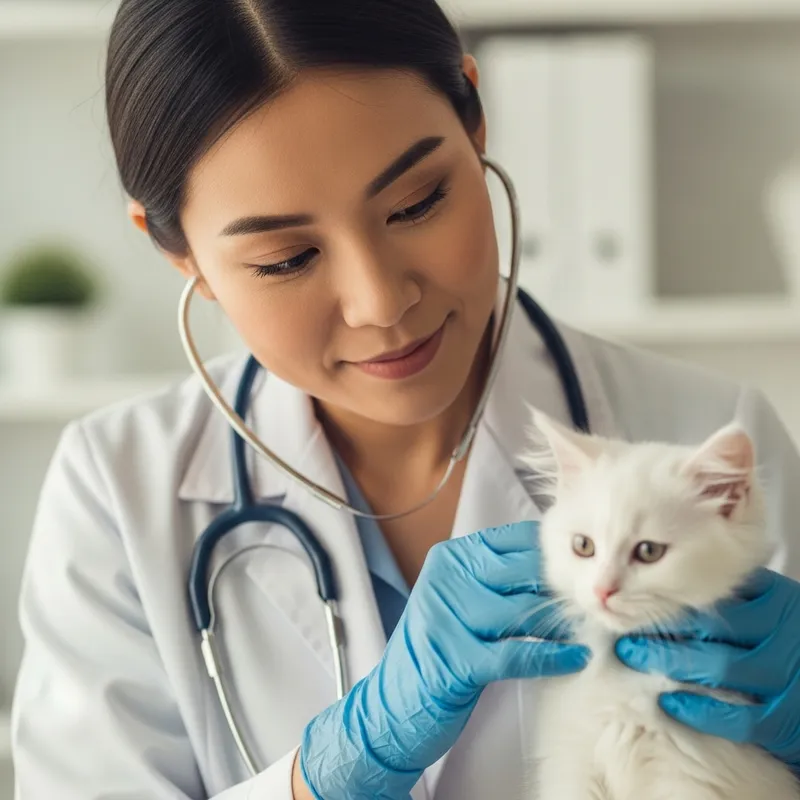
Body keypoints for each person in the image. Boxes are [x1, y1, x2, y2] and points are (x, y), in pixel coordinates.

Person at [10, 0, 800, 798]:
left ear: (475, 117)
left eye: (416, 204)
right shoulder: (115, 488)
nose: (380, 302)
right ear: (181, 254)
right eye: (287, 258)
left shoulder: (710, 437)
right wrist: (328, 773)